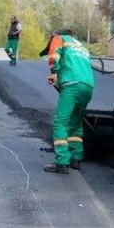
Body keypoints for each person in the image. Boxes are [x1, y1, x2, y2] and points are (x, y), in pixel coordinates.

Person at [40, 29, 95, 174]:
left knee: (61, 122)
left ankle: (61, 162)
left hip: (72, 84)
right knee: (75, 122)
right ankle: (75, 158)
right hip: (88, 86)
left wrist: (53, 73)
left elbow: (53, 56)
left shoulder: (59, 38)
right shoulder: (81, 46)